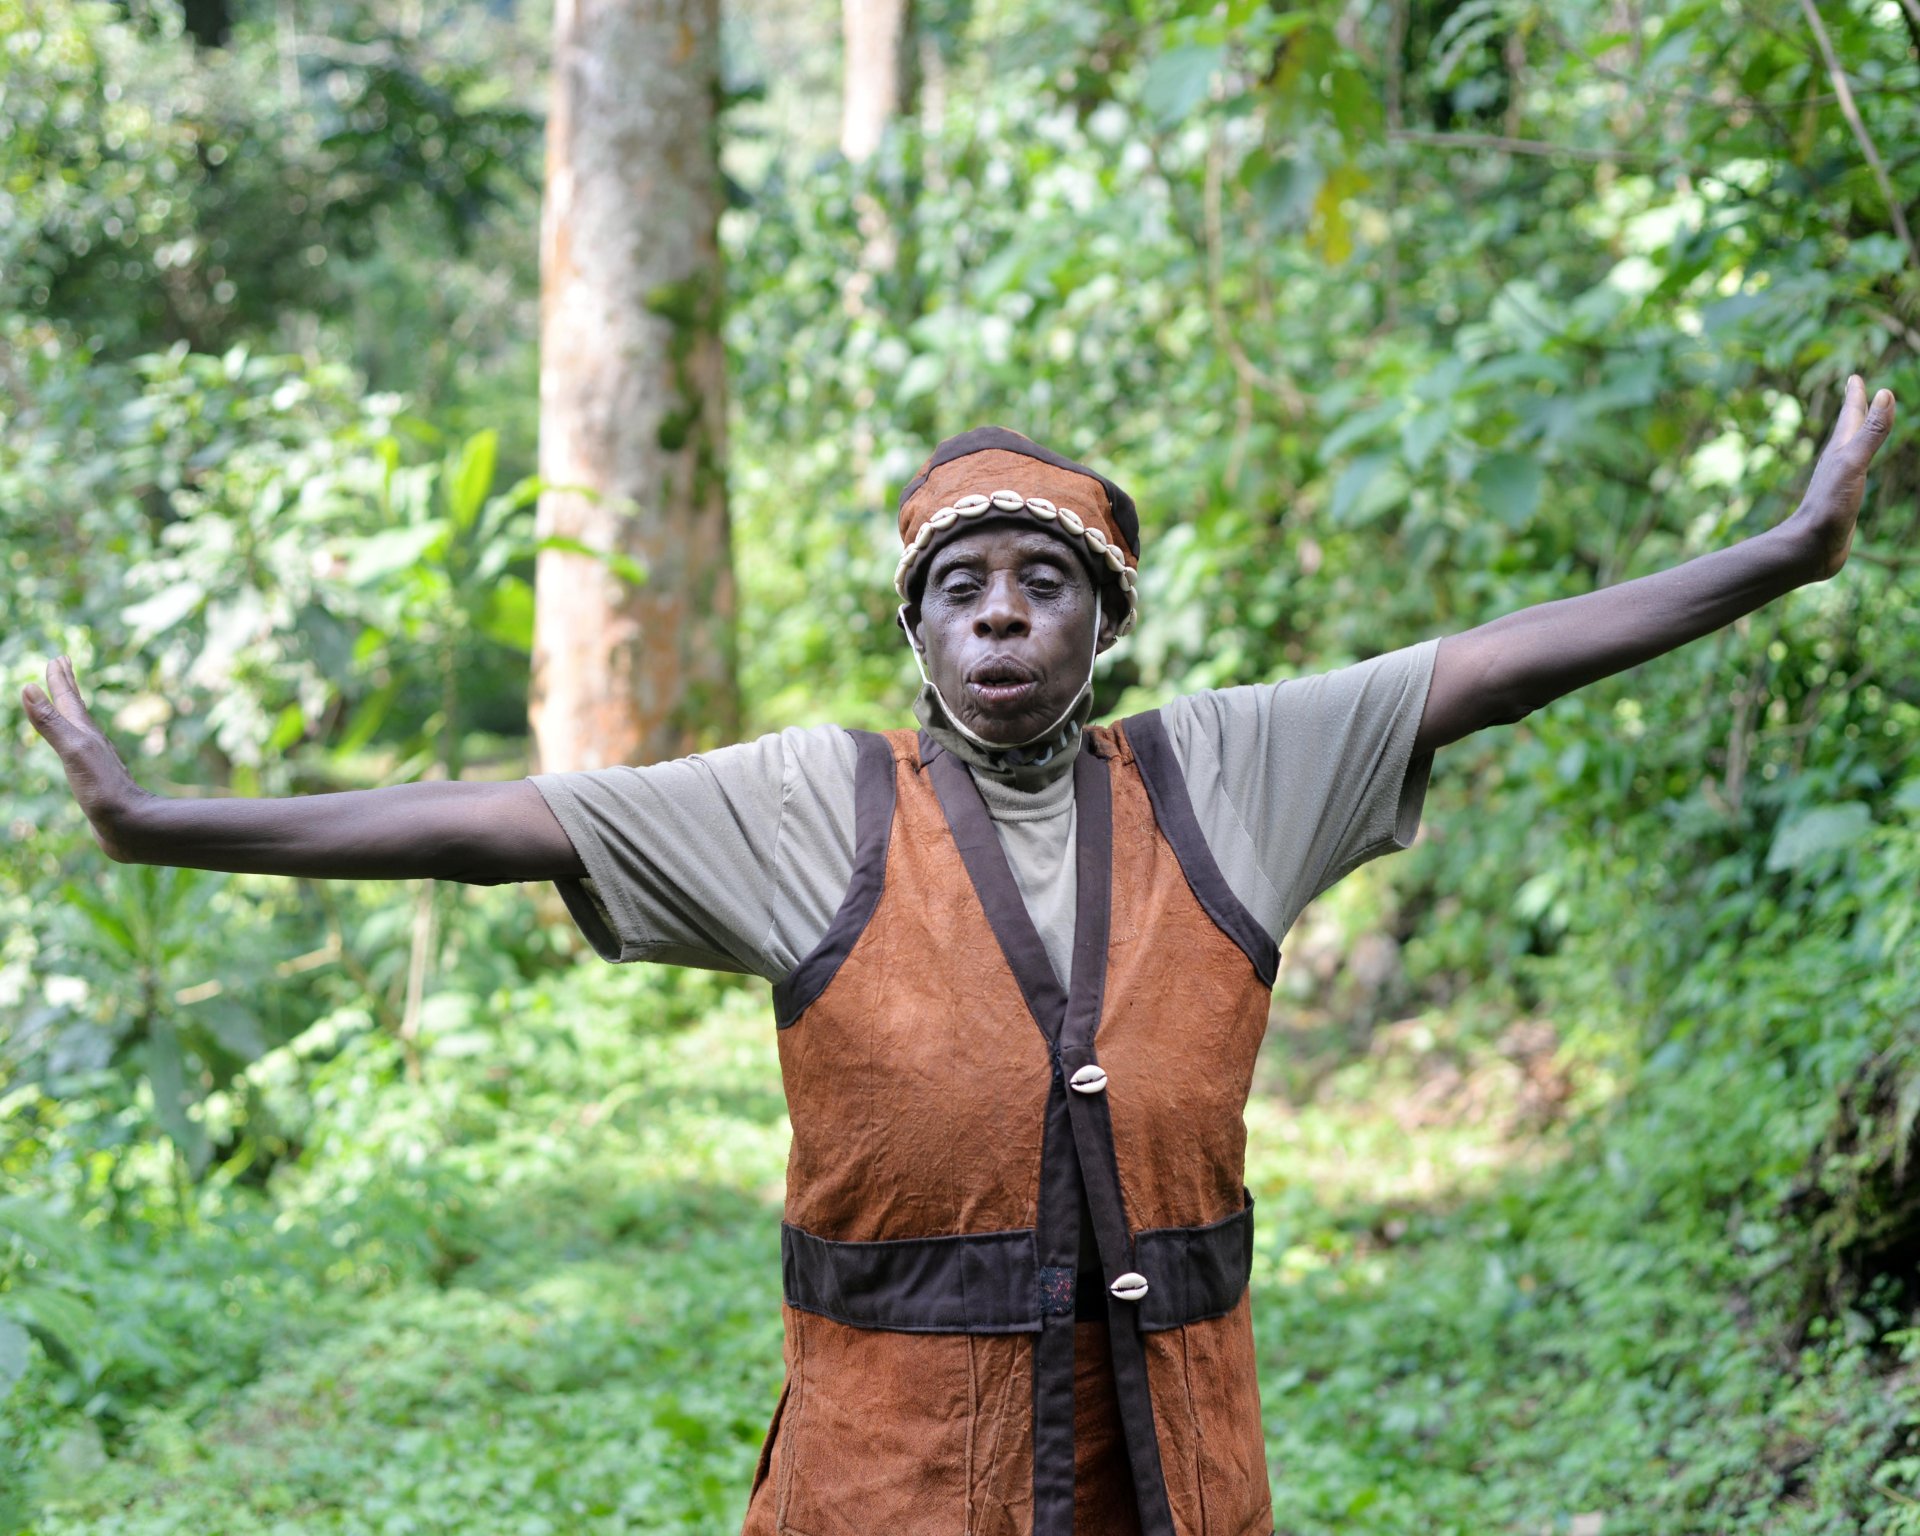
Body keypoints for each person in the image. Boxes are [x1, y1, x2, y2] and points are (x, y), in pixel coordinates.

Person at [22, 381, 1897, 1536]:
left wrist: (1784, 551)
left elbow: (1493, 661)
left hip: (1175, 1469)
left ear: (1104, 622)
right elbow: (503, 818)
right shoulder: (807, 807)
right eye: (960, 588)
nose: (1003, 616)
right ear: (915, 628)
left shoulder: (1231, 775)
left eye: (1044, 584)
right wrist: (170, 822)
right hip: (891, 1485)